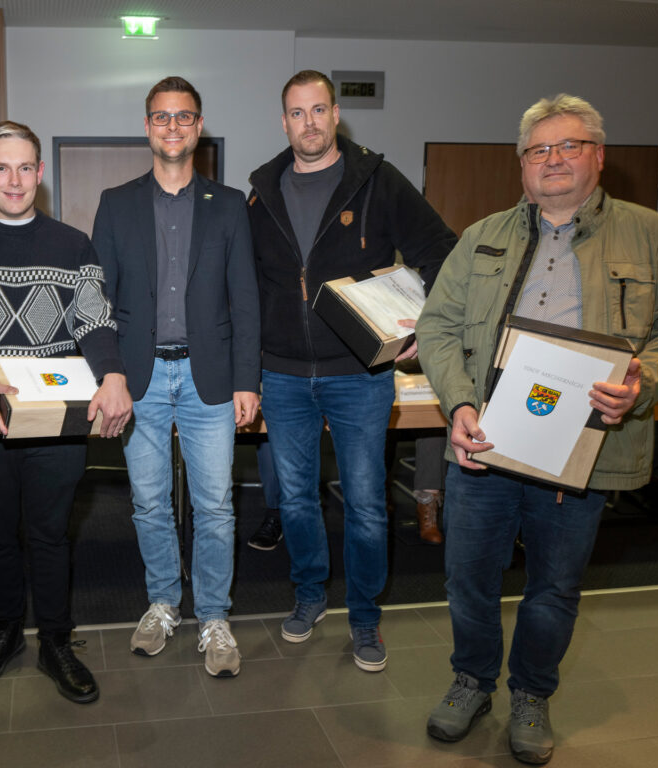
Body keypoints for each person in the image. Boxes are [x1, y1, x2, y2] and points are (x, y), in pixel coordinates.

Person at [416, 94, 658, 765]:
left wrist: (641, 383)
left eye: (568, 146)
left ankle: (532, 692)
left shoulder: (649, 234)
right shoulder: (482, 236)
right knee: (468, 578)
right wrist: (459, 404)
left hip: (585, 450)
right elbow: (437, 327)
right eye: (539, 150)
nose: (553, 160)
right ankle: (473, 680)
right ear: (522, 165)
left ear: (597, 155)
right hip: (488, 442)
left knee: (555, 586)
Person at [246, 70, 455, 671]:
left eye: (318, 110)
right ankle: (310, 596)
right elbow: (249, 281)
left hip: (360, 374)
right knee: (297, 501)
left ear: (336, 115)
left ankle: (365, 618)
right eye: (296, 113)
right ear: (283, 120)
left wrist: (423, 327)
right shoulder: (261, 192)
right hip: (283, 375)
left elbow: (440, 251)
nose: (308, 123)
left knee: (365, 502)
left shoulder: (377, 181)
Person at [0, 120, 131, 704]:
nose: (13, 180)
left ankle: (56, 642)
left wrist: (112, 373)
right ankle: (7, 632)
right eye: (0, 168)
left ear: (40, 174)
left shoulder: (73, 245)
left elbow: (95, 321)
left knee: (50, 535)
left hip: (55, 416)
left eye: (24, 168)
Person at [92, 76, 260, 678]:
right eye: (161, 117)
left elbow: (245, 298)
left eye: (183, 117)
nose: (172, 127)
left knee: (215, 506)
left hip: (209, 377)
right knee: (148, 503)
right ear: (147, 127)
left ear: (198, 126)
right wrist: (108, 372)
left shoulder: (230, 204)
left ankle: (214, 614)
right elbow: (96, 300)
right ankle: (163, 602)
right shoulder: (116, 202)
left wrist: (248, 380)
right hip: (139, 380)